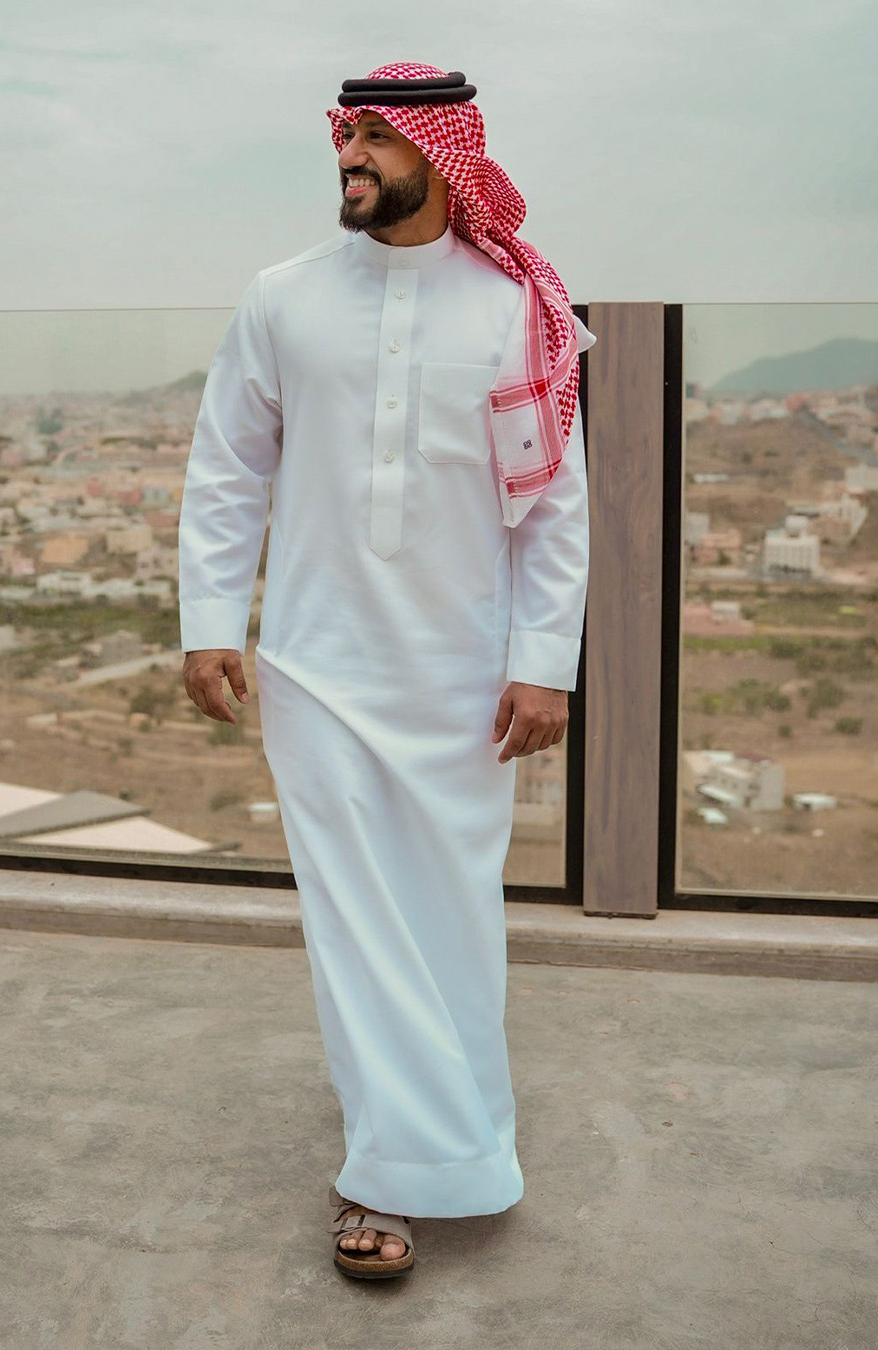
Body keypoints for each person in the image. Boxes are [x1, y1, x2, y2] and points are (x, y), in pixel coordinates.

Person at [178, 61, 595, 1279]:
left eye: (375, 137)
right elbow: (227, 470)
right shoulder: (284, 298)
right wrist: (210, 621)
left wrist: (545, 663)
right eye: (344, 134)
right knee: (356, 925)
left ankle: (465, 1130)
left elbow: (553, 510)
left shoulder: (517, 310)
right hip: (317, 667)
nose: (350, 156)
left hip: (464, 678)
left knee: (453, 915)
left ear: (441, 152)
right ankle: (385, 1175)